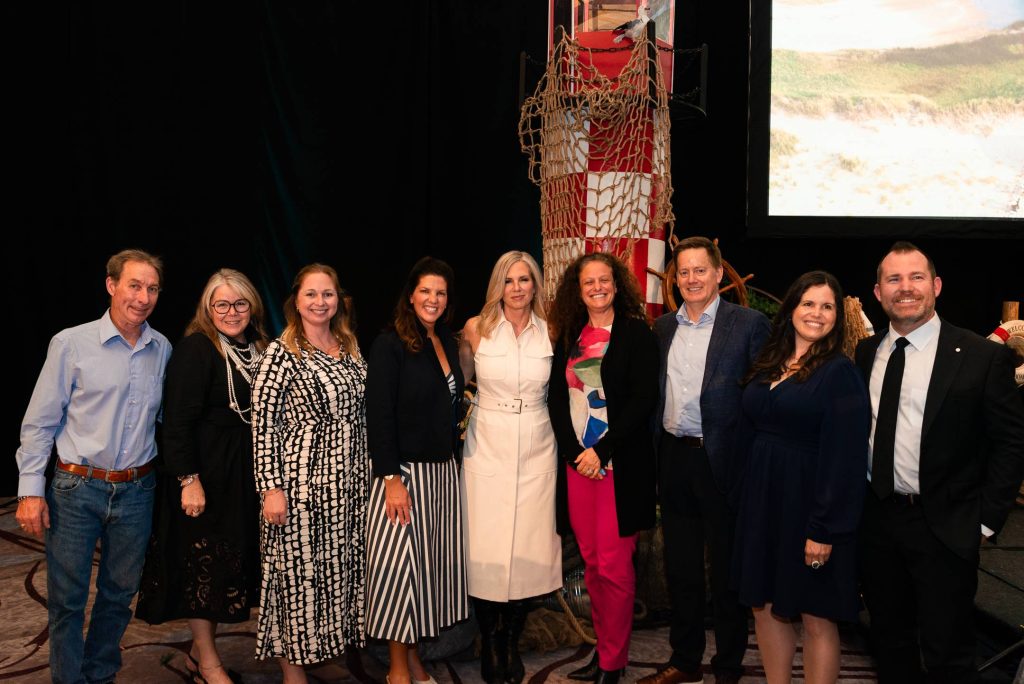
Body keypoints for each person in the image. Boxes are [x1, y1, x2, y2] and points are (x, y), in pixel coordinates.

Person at [855, 242, 1024, 683]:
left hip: (946, 526)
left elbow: (1011, 444)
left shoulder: (981, 356)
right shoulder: (866, 352)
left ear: (937, 286)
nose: (905, 288)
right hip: (877, 521)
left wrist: (984, 522)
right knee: (889, 643)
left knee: (948, 653)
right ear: (878, 292)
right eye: (894, 279)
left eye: (916, 277)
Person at [15, 249, 172, 684]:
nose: (142, 297)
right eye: (134, 285)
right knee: (66, 602)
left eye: (152, 288)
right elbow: (40, 422)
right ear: (111, 285)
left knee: (119, 596)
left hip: (137, 491)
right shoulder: (71, 344)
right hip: (76, 488)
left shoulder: (162, 349)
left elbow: (169, 419)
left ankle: (100, 676)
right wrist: (30, 490)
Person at [641, 237, 769, 684]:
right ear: (675, 279)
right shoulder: (663, 328)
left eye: (700, 270)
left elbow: (762, 397)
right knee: (681, 569)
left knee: (728, 571)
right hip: (674, 458)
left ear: (718, 274)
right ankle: (685, 659)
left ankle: (729, 665)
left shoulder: (748, 324)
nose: (692, 279)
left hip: (725, 462)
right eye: (684, 272)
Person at [732, 271, 870, 684]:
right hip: (763, 503)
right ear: (791, 307)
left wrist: (823, 528)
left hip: (811, 508)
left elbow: (846, 457)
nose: (817, 313)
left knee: (816, 615)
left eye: (827, 306)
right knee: (764, 605)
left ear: (837, 317)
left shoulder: (840, 372)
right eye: (808, 303)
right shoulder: (769, 361)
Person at [136, 268, 269, 684]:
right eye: (221, 304)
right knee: (202, 571)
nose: (232, 312)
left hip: (244, 476)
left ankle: (197, 655)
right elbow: (176, 422)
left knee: (229, 568)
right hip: (205, 477)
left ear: (252, 306)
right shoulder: (196, 348)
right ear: (208, 309)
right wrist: (188, 480)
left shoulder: (259, 346)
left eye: (240, 303)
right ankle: (209, 664)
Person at [251, 263, 368, 683]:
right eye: (312, 294)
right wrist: (271, 489)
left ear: (338, 300)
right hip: (300, 486)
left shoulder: (348, 344)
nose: (320, 302)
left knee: (335, 574)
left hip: (349, 484)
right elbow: (264, 425)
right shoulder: (281, 353)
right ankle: (293, 670)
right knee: (297, 579)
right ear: (296, 301)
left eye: (328, 294)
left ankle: (320, 651)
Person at [547, 252, 659, 684]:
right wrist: (575, 452)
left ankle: (614, 661)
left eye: (604, 280)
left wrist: (602, 451)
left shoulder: (635, 333)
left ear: (617, 284)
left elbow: (642, 401)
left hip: (618, 468)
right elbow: (557, 398)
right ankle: (604, 651)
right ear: (578, 291)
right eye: (588, 282)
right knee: (592, 566)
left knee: (614, 567)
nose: (597, 287)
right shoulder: (571, 335)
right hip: (580, 467)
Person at [459, 251, 562, 684]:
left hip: (538, 443)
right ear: (497, 285)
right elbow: (457, 384)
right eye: (508, 280)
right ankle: (489, 640)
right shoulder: (475, 328)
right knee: (485, 547)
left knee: (530, 548)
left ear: (535, 284)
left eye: (524, 279)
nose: (517, 288)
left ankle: (511, 642)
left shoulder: (552, 328)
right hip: (486, 442)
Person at [365, 256, 469, 684]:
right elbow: (379, 414)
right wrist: (391, 479)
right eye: (425, 290)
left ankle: (413, 660)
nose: (433, 299)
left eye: (440, 293)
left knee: (425, 573)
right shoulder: (389, 344)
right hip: (403, 476)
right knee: (400, 575)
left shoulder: (444, 339)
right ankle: (397, 671)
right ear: (410, 295)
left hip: (440, 475)